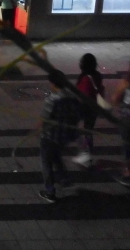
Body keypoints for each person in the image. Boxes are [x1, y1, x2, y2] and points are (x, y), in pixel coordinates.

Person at [38, 71, 82, 203]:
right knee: (56, 156)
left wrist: (39, 129)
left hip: (49, 136)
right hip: (64, 136)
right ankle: (65, 180)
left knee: (46, 163)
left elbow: (44, 119)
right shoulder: (72, 97)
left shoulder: (52, 100)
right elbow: (77, 115)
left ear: (53, 83)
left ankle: (50, 191)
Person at [72, 53, 105, 167]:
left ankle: (86, 155)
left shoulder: (86, 78)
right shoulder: (96, 75)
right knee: (88, 131)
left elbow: (84, 96)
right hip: (94, 108)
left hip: (85, 109)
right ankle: (88, 154)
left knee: (78, 131)